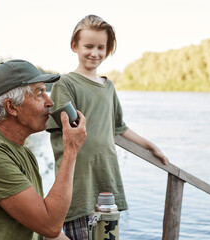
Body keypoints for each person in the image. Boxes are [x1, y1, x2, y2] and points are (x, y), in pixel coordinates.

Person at [46, 15, 169, 239]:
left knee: (106, 235)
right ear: (75, 46)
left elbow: (118, 127)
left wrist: (149, 144)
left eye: (101, 47)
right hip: (78, 183)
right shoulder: (65, 84)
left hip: (105, 179)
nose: (95, 53)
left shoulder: (108, 86)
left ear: (108, 49)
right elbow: (66, 123)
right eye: (88, 46)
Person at [0, 59, 87, 240]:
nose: (50, 102)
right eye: (39, 94)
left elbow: (43, 226)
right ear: (12, 107)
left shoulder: (23, 153)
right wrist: (71, 150)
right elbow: (50, 225)